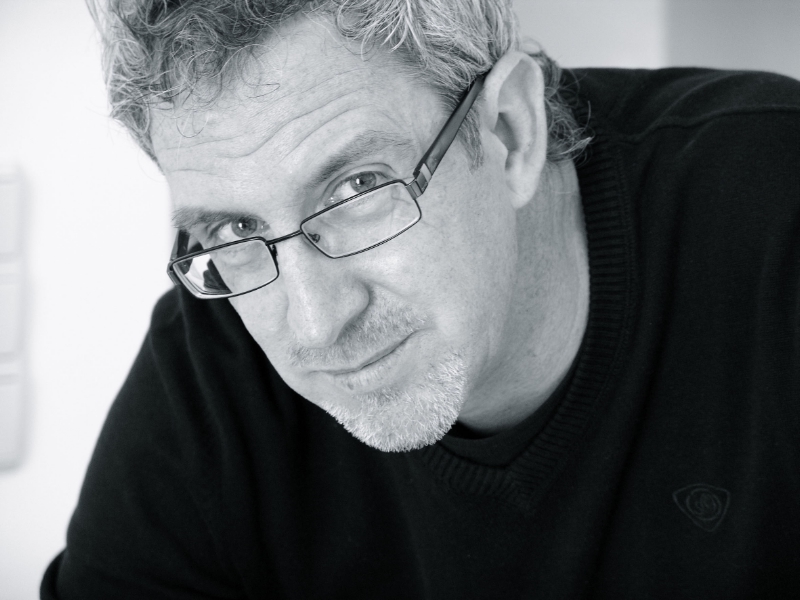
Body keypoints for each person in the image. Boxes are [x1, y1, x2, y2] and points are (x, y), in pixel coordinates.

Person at [42, 0, 800, 598]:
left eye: (356, 189)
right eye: (236, 228)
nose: (315, 325)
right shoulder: (212, 362)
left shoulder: (777, 214)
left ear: (510, 132)